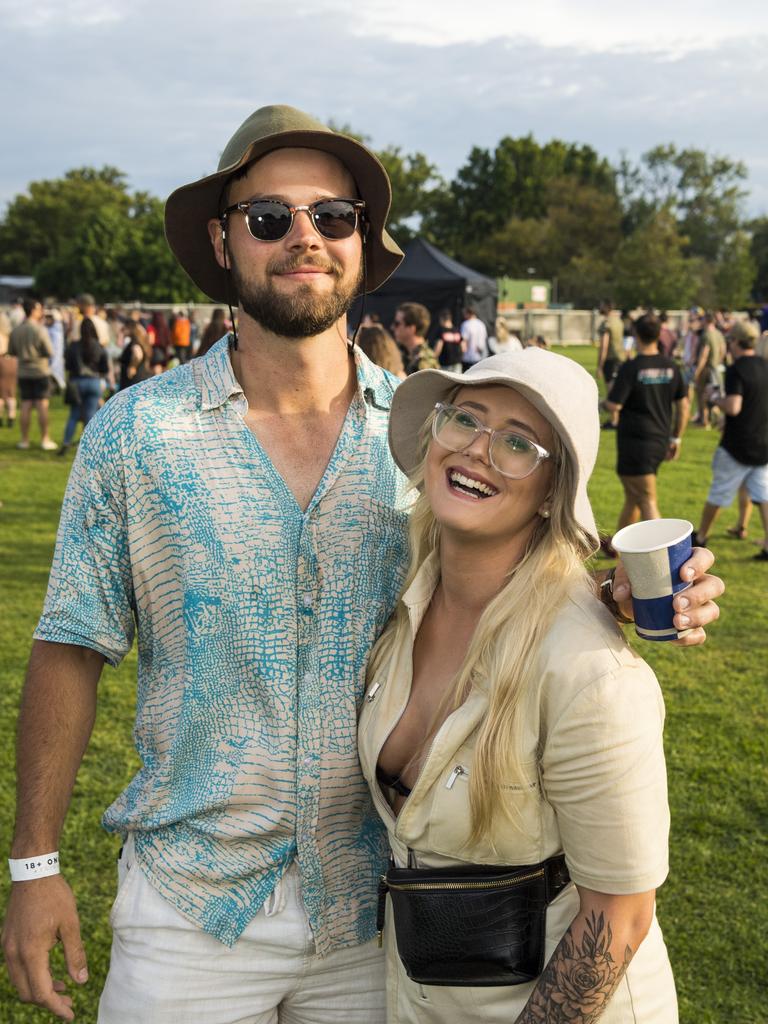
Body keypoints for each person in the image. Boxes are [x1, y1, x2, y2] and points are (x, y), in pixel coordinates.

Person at [1, 104, 722, 1024]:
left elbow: (503, 571)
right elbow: (70, 644)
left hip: (379, 918)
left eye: (332, 217)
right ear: (224, 244)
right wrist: (34, 864)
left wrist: (609, 593)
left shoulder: (432, 437)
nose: (304, 238)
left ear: (360, 242)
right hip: (190, 909)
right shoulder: (136, 438)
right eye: (270, 218)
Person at [360, 348, 677, 1022]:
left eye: (516, 442)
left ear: (551, 493)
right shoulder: (399, 597)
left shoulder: (590, 674)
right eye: (464, 419)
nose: (477, 450)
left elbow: (617, 920)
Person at [604, 313, 689, 531]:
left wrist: (600, 402)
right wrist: (676, 438)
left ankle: (666, 554)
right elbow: (684, 405)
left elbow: (614, 405)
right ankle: (618, 547)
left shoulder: (632, 367)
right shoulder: (671, 366)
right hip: (660, 440)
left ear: (635, 334)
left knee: (647, 499)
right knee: (634, 496)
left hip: (635, 443)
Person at [695, 320, 768, 560]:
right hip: (763, 442)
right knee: (764, 496)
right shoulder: (764, 365)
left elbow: (734, 406)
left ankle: (702, 536)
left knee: (718, 492)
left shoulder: (737, 369)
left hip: (738, 444)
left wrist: (714, 397)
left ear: (734, 342)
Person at [8, 298, 57, 450]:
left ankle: (24, 440)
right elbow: (50, 351)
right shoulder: (39, 329)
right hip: (40, 371)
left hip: (23, 372)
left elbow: (11, 351)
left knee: (25, 404)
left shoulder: (17, 330)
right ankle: (45, 439)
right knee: (42, 405)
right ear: (33, 311)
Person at [59, 316, 111, 455]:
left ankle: (66, 442)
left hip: (77, 382)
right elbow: (105, 368)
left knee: (74, 415)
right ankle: (89, 448)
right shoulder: (99, 346)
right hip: (93, 382)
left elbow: (68, 365)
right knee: (90, 415)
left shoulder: (74, 346)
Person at [693, 313, 726, 428]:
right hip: (716, 369)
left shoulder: (706, 335)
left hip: (706, 368)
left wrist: (697, 370)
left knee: (702, 394)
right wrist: (717, 362)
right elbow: (723, 350)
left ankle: (705, 421)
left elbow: (704, 354)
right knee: (715, 394)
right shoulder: (718, 333)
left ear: (706, 321)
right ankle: (717, 419)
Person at [596, 301, 623, 429]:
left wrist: (600, 366)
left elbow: (604, 346)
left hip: (611, 360)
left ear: (606, 307)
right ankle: (616, 419)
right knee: (617, 389)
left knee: (611, 391)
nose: (599, 308)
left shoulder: (606, 324)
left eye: (601, 306)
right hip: (620, 359)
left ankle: (614, 421)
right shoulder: (618, 321)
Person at [392, 302, 439, 375]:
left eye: (397, 324)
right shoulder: (403, 352)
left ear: (411, 329)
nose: (392, 327)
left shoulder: (425, 362)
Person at [117, 321, 153, 390]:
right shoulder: (141, 341)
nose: (122, 330)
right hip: (141, 377)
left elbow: (138, 355)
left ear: (129, 329)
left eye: (124, 328)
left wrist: (132, 366)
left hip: (133, 381)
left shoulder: (134, 342)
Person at [0, 307, 18, 428]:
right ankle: (11, 416)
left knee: (1, 394)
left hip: (1, 361)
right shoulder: (8, 335)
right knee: (11, 392)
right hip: (11, 362)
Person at [459, 305, 488, 372]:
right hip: (480, 359)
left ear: (468, 313)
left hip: (468, 358)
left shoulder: (465, 324)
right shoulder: (481, 324)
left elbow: (464, 343)